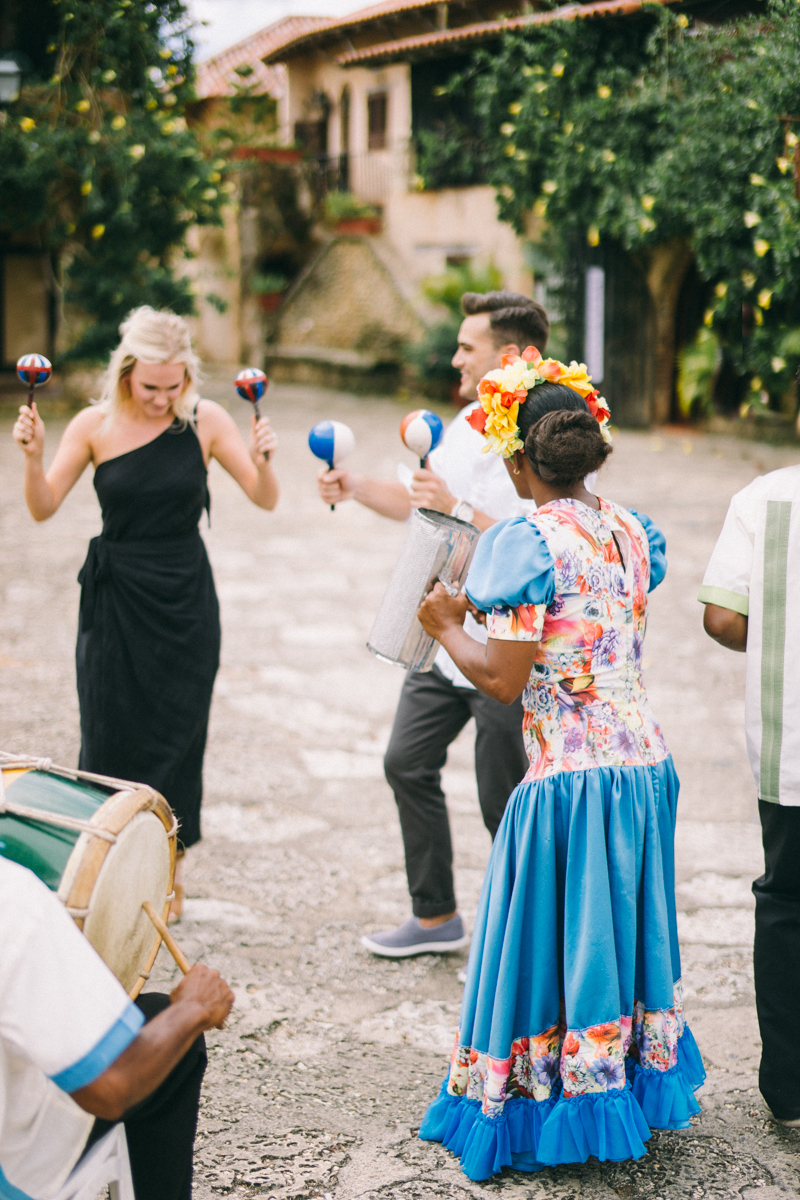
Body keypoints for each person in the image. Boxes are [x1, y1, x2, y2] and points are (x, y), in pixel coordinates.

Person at [415, 350, 704, 1179]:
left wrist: (443, 625)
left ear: (514, 461)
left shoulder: (524, 540)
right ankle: (620, 1079)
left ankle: (549, 1097)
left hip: (571, 775)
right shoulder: (627, 529)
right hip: (644, 762)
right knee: (617, 931)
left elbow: (504, 682)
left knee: (555, 938)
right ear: (591, 452)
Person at [12, 307, 279, 921]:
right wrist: (31, 456)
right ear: (126, 371)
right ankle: (106, 869)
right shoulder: (93, 425)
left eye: (175, 385)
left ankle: (167, 870)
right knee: (108, 733)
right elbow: (43, 507)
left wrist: (265, 459)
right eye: (151, 386)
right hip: (116, 599)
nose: (164, 399)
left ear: (187, 376)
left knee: (178, 740)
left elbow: (265, 500)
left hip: (185, 599)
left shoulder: (207, 421)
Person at [318, 291, 549, 958]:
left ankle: (529, 934)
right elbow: (426, 504)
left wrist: (461, 508)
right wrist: (358, 486)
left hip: (506, 641)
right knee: (405, 761)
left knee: (501, 797)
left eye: (465, 348)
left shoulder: (543, 428)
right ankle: (435, 916)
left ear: (507, 355)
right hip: (445, 634)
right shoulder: (468, 419)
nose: (455, 358)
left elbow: (545, 538)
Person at [0, 855, 234, 1200]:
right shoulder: (13, 897)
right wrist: (192, 1009)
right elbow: (111, 1086)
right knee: (165, 1024)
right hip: (12, 1173)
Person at [699, 464, 800, 1127]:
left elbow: (722, 619)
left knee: (787, 901)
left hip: (792, 737)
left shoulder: (765, 498)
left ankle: (791, 1089)